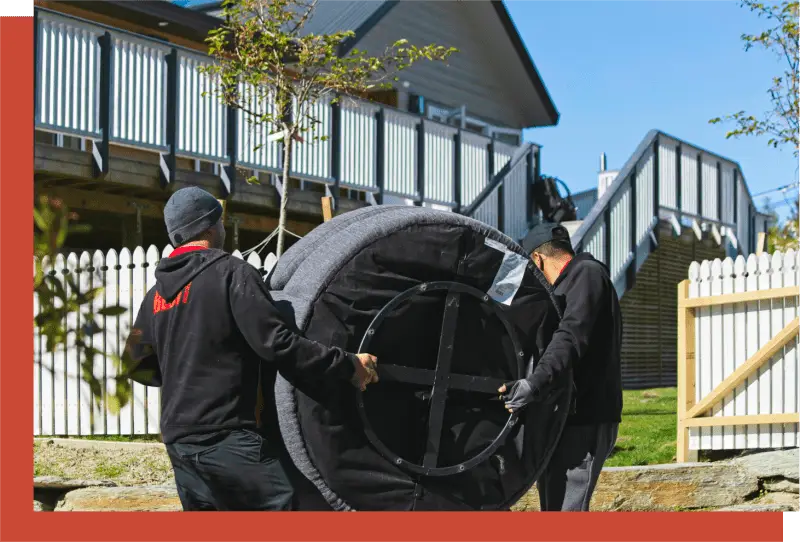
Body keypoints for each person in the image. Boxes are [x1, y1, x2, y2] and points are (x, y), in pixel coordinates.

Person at [124, 186, 379, 512]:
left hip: (179, 441)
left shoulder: (156, 296)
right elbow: (278, 344)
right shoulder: (230, 274)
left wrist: (184, 376)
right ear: (211, 226)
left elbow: (135, 363)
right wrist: (348, 366)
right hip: (226, 436)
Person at [499, 222, 622, 512]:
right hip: (566, 418)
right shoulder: (570, 283)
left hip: (586, 419)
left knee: (567, 511)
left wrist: (534, 383)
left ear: (537, 260)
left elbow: (571, 336)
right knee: (554, 508)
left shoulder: (586, 274)